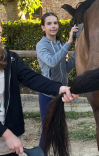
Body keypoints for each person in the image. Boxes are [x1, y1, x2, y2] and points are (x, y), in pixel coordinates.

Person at [0, 11, 77, 156]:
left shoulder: (10, 59)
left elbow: (32, 78)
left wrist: (60, 88)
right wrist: (6, 134)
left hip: (8, 145)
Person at [36, 12, 78, 150]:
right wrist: (69, 43)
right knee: (48, 131)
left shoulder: (60, 44)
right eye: (49, 23)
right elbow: (52, 62)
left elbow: (66, 68)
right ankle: (41, 153)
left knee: (56, 130)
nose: (53, 26)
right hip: (47, 94)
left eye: (55, 23)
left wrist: (77, 50)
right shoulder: (41, 45)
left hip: (60, 94)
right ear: (43, 27)